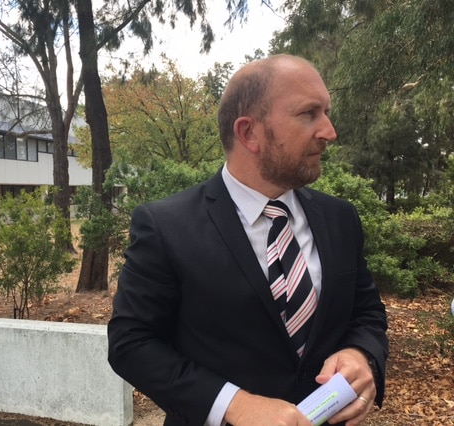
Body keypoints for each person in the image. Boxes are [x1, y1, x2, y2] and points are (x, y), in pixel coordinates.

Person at [107, 54, 388, 426]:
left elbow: (366, 312)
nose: (329, 131)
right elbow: (131, 344)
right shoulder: (166, 226)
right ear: (249, 133)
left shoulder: (340, 218)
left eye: (326, 112)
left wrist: (361, 354)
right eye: (309, 114)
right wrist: (234, 405)